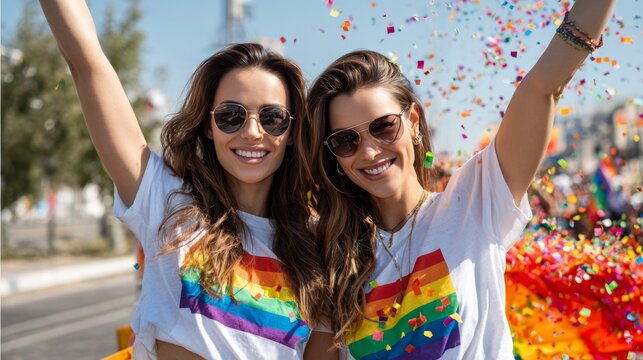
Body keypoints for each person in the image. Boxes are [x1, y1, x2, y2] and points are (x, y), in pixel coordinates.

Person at [306, 1, 616, 358]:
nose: (370, 151)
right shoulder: (331, 253)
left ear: (414, 121)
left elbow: (543, 87)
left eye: (383, 126)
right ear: (333, 154)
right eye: (346, 140)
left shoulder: (475, 201)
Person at [39, 1, 334, 359]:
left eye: (272, 118)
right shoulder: (169, 204)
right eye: (230, 116)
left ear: (290, 132)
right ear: (209, 127)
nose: (253, 132)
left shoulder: (315, 251)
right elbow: (86, 63)